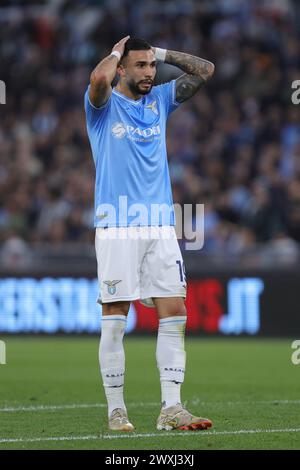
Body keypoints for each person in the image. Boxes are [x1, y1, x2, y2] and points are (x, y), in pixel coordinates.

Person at [84, 36, 215, 432]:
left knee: (175, 312)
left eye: (150, 66)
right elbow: (96, 79)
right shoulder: (102, 107)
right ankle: (116, 411)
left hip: (160, 225)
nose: (148, 73)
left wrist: (161, 53)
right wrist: (113, 53)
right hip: (117, 225)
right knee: (116, 316)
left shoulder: (159, 100)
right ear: (122, 69)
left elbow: (205, 70)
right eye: (139, 66)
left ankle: (171, 409)